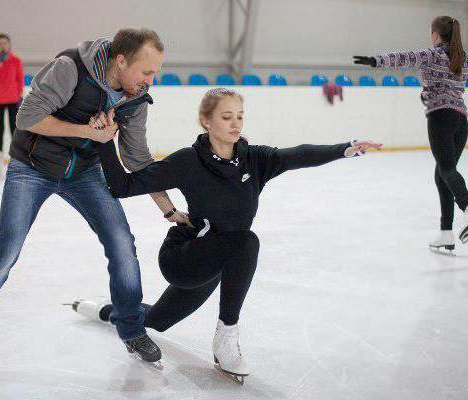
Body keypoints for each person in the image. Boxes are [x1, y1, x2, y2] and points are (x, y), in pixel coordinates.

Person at [73, 88, 381, 383]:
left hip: (218, 262)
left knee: (156, 321)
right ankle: (226, 337)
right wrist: (103, 142)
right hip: (185, 258)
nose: (235, 124)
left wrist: (345, 148)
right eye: (226, 117)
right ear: (206, 121)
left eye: (240, 116)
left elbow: (296, 154)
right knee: (247, 241)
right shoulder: (187, 161)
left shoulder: (254, 159)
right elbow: (121, 187)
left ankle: (102, 310)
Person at [0, 28, 189, 379]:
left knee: (122, 243)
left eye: (155, 72)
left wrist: (166, 208)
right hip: (32, 168)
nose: (152, 79)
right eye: (146, 71)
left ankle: (132, 328)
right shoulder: (70, 67)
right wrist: (88, 133)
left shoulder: (135, 97)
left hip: (85, 173)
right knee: (6, 249)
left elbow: (137, 158)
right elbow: (27, 117)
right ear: (121, 61)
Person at [353, 15, 468, 253]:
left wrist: (374, 61)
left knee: (446, 169)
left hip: (441, 118)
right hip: (461, 122)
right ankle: (446, 233)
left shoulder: (433, 54)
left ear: (436, 34)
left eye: (431, 32)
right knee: (443, 172)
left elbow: (403, 58)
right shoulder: (465, 58)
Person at [0, 33, 24, 174]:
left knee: (13, 129)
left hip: (12, 99)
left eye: (5, 43)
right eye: (1, 43)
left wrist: (20, 94)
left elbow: (19, 78)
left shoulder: (16, 60)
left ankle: (15, 156)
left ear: (9, 44)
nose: (3, 45)